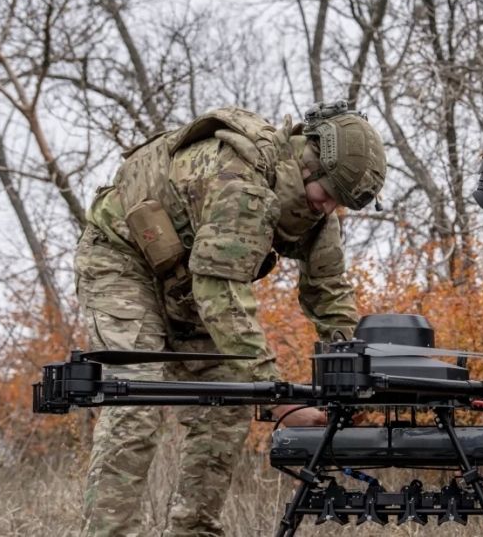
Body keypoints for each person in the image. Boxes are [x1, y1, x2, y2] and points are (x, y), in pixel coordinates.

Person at [75, 101, 386, 537]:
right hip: (122, 260)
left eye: (341, 203)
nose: (330, 208)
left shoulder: (316, 213)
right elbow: (220, 291)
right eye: (329, 194)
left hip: (188, 283)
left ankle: (193, 530)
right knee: (136, 398)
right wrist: (278, 397)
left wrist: (353, 366)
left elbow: (329, 292)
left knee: (227, 406)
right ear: (310, 163)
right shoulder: (242, 182)